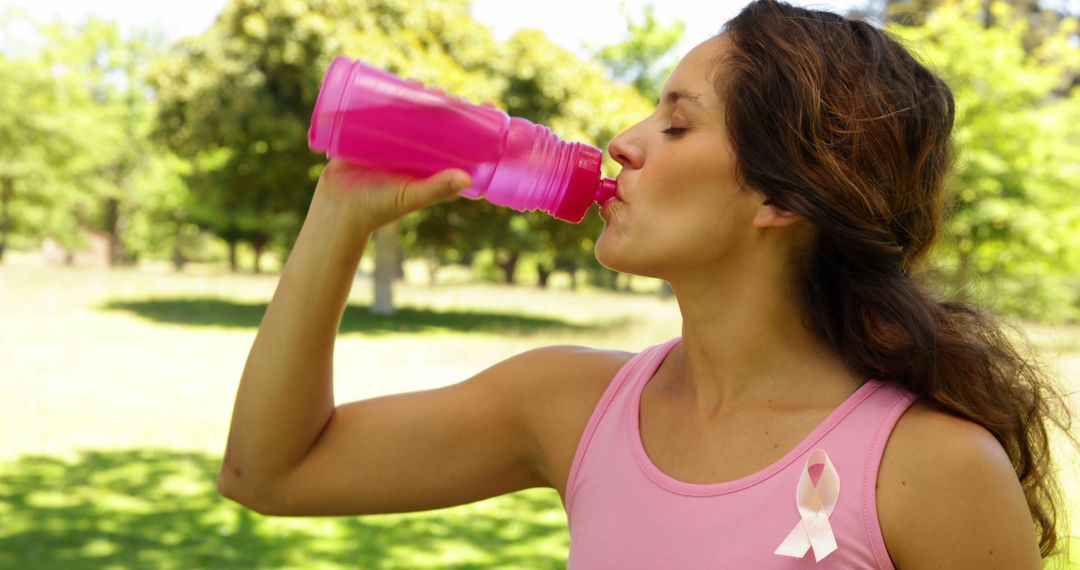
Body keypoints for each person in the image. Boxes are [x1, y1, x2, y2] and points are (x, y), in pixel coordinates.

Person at [217, 1, 1075, 567]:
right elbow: (273, 474)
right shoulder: (568, 405)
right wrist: (339, 215)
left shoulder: (928, 469)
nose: (623, 141)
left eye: (676, 122)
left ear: (782, 194)